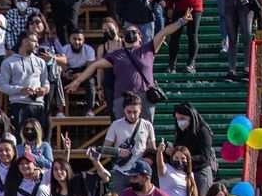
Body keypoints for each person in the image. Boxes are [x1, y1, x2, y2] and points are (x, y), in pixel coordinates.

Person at [64, 8, 193, 121]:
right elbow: (95, 66)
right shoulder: (116, 54)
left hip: (144, 97)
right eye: (127, 32)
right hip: (122, 97)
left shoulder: (148, 49)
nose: (130, 34)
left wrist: (181, 21)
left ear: (140, 36)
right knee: (123, 134)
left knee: (145, 133)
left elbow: (164, 32)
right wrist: (78, 81)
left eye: (134, 32)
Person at [0, 31, 49, 131]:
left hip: (38, 105)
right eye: (34, 41)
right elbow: (3, 86)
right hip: (18, 105)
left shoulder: (41, 62)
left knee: (39, 138)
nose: (37, 45)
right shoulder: (8, 62)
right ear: (25, 42)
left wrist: (44, 89)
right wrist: (20, 90)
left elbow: (46, 82)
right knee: (20, 138)